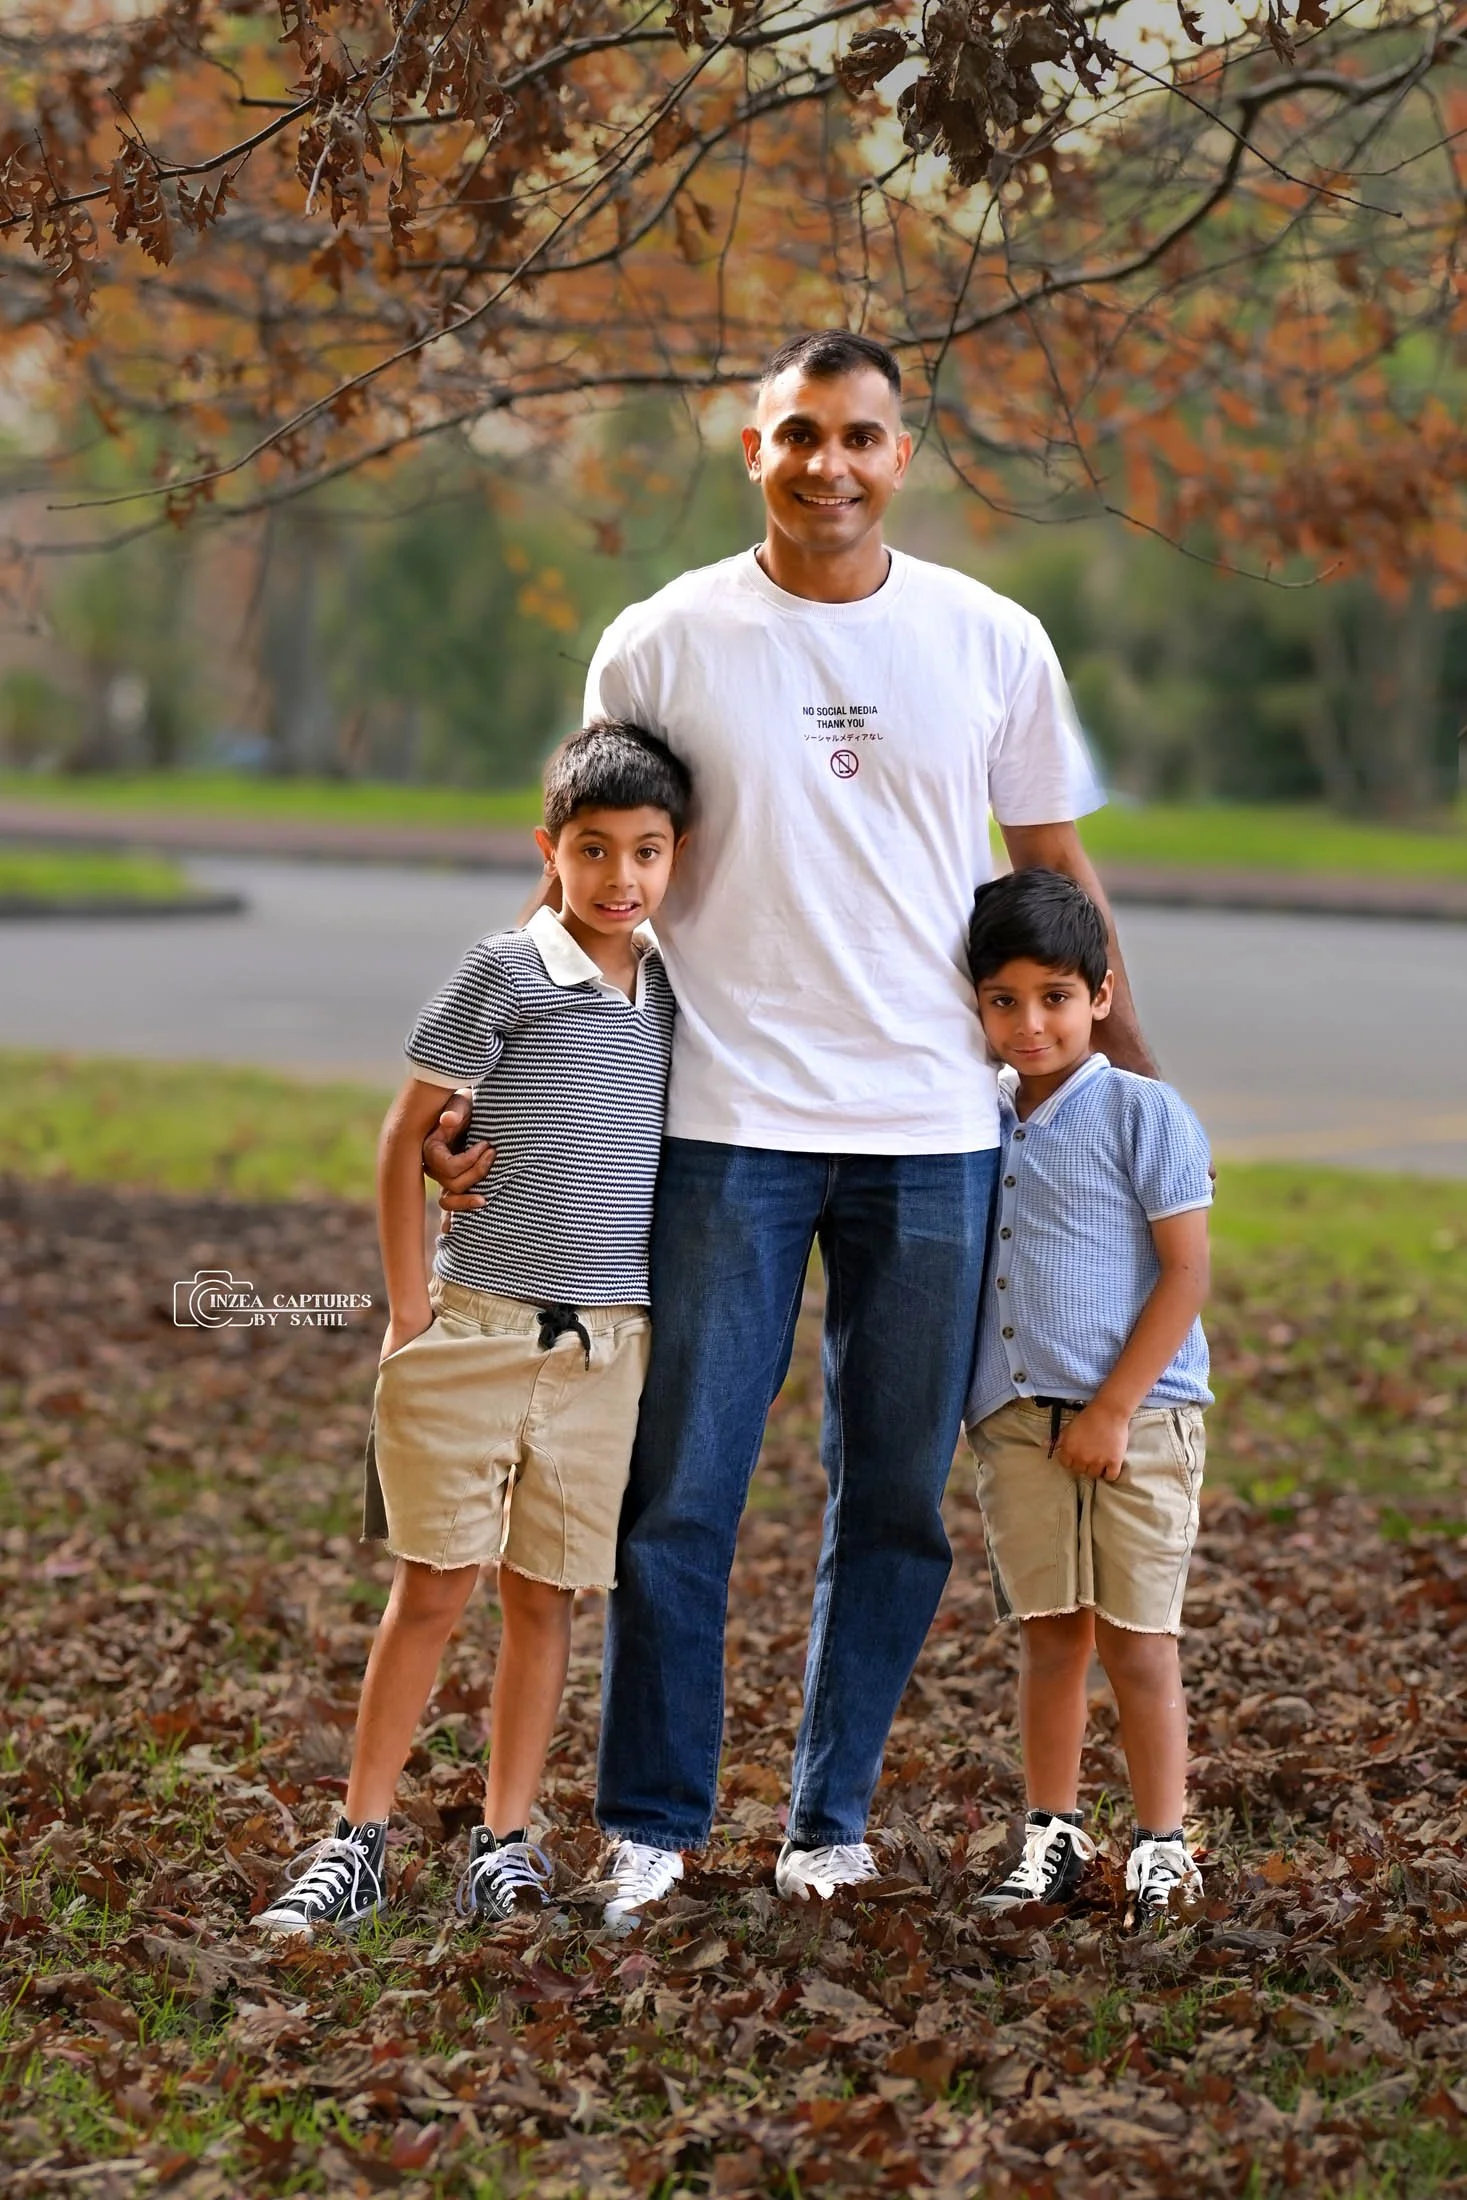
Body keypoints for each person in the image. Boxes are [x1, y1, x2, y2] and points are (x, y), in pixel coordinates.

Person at [425, 328, 1159, 1927]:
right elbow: (581, 871)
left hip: (934, 1133)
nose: (829, 463)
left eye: (862, 437)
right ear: (750, 447)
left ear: (907, 454)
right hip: (721, 1124)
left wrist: (1124, 1088)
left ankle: (829, 1819)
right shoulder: (664, 637)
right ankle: (651, 1824)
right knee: (677, 1489)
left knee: (889, 1497)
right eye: (799, 434)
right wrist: (498, 1064)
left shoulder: (988, 639)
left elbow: (1051, 880)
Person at [253, 721, 688, 1939]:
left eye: (646, 853)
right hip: (478, 1326)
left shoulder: (671, 990)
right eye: (593, 851)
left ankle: (504, 1839)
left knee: (545, 1599)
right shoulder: (502, 971)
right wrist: (407, 1312)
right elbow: (407, 1139)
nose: (620, 879)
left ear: (676, 857)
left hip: (605, 1351)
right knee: (435, 1586)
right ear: (548, 852)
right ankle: (360, 1836)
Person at [963, 868, 1212, 1928]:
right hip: (1020, 1424)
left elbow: (1186, 1273)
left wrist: (1113, 1408)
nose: (1031, 1024)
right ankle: (1052, 1831)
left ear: (1100, 996)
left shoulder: (1141, 1112)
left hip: (1139, 1419)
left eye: (1056, 997)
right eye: (1005, 1000)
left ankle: (1163, 1842)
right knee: (1051, 1634)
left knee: (1138, 1639)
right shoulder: (973, 1116)